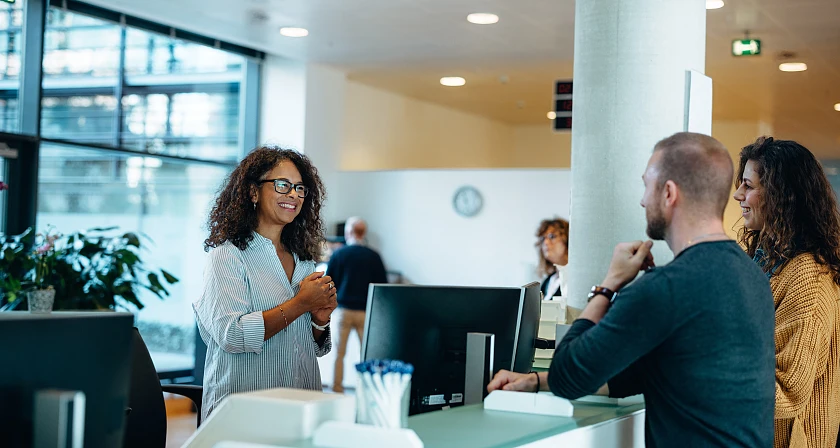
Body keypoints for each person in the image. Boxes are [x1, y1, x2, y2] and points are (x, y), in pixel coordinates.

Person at [488, 132, 776, 447]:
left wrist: (609, 284)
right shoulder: (753, 276)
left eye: (646, 186)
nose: (642, 199)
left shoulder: (664, 288)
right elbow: (638, 374)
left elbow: (567, 374)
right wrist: (535, 381)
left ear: (668, 193)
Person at [194, 146, 337, 420]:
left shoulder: (303, 260)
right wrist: (300, 303)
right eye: (283, 185)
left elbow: (308, 346)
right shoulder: (227, 255)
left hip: (301, 404)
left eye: (299, 188)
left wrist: (319, 321)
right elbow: (232, 335)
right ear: (253, 192)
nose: (293, 195)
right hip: (244, 411)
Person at [733, 137, 840, 448]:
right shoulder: (769, 262)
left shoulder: (807, 275)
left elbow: (785, 392)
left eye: (748, 185)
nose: (738, 194)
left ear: (782, 196)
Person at [327, 217, 388, 393]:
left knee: (339, 354)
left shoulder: (339, 254)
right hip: (365, 313)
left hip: (343, 311)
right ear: (364, 233)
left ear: (348, 232)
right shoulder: (374, 256)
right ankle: (366, 389)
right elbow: (381, 287)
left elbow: (329, 283)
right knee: (367, 354)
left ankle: (336, 389)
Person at [536, 218, 570, 299]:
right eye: (543, 238)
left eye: (552, 236)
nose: (545, 242)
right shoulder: (548, 281)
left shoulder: (575, 280)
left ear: (567, 239)